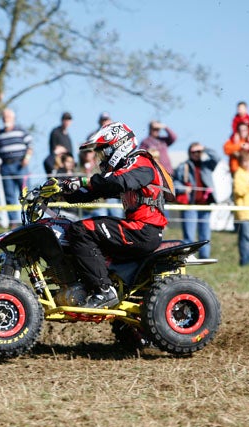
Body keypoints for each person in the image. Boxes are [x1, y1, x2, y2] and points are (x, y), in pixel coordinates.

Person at [40, 121, 170, 308]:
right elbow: (93, 191)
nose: (102, 158)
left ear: (118, 146)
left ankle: (103, 291)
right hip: (137, 229)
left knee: (81, 230)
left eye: (104, 151)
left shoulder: (142, 163)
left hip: (144, 230)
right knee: (71, 227)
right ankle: (82, 283)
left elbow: (116, 182)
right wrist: (59, 192)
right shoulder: (124, 170)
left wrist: (83, 181)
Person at [173, 142, 219, 259]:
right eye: (194, 152)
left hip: (205, 204)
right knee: (189, 235)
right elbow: (174, 183)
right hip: (190, 205)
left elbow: (217, 157)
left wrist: (205, 148)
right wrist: (184, 189)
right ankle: (188, 257)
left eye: (199, 151)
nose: (197, 154)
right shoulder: (183, 166)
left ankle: (205, 257)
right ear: (189, 153)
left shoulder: (207, 165)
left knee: (205, 234)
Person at [0, 108, 33, 226]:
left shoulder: (21, 131)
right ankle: (14, 222)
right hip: (6, 166)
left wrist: (26, 159)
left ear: (13, 118)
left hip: (20, 165)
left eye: (8, 117)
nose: (6, 119)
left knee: (26, 193)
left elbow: (30, 145)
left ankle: (30, 218)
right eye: (4, 117)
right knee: (9, 195)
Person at [232, 151, 249, 266]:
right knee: (245, 239)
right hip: (244, 214)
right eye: (245, 161)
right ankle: (246, 262)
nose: (247, 164)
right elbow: (238, 190)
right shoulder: (239, 174)